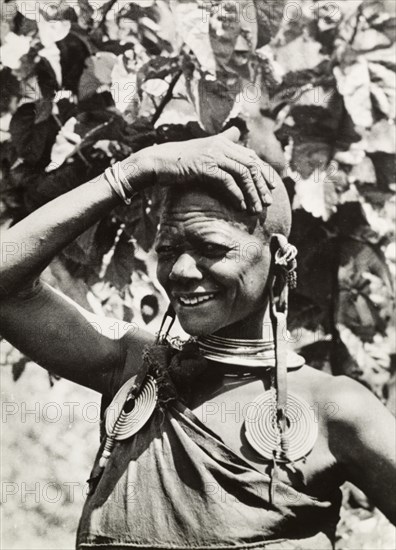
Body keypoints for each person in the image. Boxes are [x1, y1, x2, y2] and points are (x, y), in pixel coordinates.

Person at [0, 128, 395, 550]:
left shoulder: (334, 410)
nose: (182, 271)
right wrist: (137, 169)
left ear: (279, 256)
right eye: (168, 250)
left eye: (211, 247)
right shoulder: (133, 368)